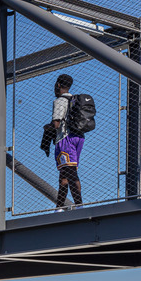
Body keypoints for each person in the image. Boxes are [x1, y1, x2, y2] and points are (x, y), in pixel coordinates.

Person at [51, 76, 85, 210]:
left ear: (58, 85)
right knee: (64, 174)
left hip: (65, 139)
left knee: (70, 173)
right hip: (78, 137)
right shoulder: (74, 99)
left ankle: (79, 205)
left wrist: (48, 128)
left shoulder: (60, 101)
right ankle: (59, 207)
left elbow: (56, 123)